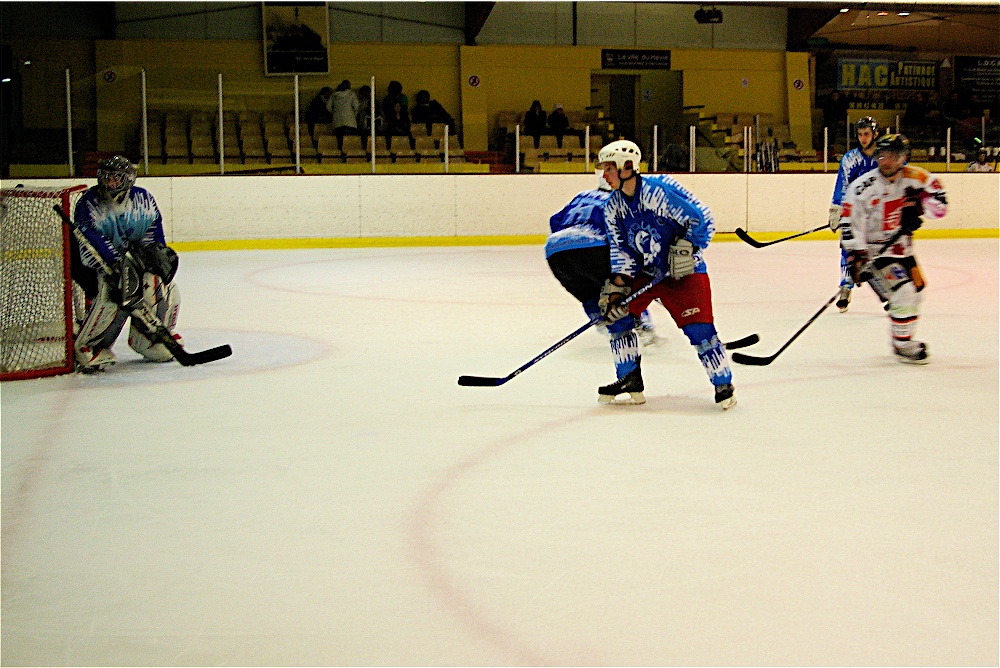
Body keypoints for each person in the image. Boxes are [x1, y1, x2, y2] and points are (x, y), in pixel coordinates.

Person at [596, 140, 736, 409]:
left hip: (683, 272)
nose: (604, 175)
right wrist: (617, 290)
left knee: (699, 330)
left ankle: (723, 384)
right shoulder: (613, 207)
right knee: (617, 316)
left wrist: (687, 247)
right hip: (647, 273)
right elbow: (621, 250)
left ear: (627, 167)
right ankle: (629, 379)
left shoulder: (657, 192)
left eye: (609, 168)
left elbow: (702, 219)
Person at [840, 134, 947, 364]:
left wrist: (921, 205)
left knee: (916, 292)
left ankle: (902, 337)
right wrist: (856, 255)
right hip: (874, 254)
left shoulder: (914, 178)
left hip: (902, 251)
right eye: (883, 155)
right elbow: (849, 224)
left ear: (903, 158)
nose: (886, 161)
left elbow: (941, 205)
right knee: (904, 293)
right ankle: (903, 344)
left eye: (893, 156)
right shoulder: (862, 187)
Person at [72, 156, 181, 372]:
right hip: (96, 266)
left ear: (128, 179)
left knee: (163, 287)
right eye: (106, 177)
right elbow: (92, 240)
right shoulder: (88, 203)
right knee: (114, 292)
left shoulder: (143, 199)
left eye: (116, 178)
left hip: (130, 262)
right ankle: (90, 345)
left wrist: (156, 256)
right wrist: (115, 263)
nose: (109, 182)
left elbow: (152, 232)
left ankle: (149, 340)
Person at [828, 116, 880, 313]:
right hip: (855, 213)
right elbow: (842, 186)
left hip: (878, 214)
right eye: (860, 134)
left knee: (881, 254)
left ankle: (888, 293)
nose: (863, 138)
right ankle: (845, 287)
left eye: (867, 134)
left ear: (875, 134)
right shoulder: (850, 159)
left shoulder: (884, 157)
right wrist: (836, 210)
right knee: (848, 248)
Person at [330, 79, 359, 151]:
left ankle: (340, 156)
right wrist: (353, 115)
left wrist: (334, 113)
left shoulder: (334, 95)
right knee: (350, 145)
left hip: (337, 124)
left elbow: (328, 107)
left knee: (339, 145)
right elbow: (357, 106)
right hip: (350, 123)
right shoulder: (351, 94)